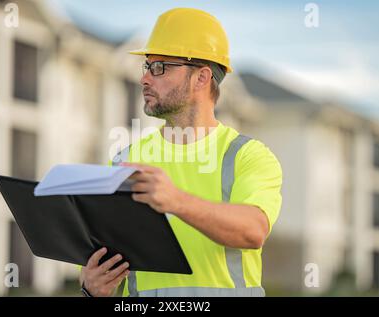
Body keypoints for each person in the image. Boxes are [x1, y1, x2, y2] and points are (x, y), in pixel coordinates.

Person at [80, 7, 282, 297]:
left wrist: (176, 201)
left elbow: (252, 231)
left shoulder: (247, 156)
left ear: (201, 78)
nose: (145, 79)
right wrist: (91, 289)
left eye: (159, 67)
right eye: (146, 67)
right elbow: (104, 262)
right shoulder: (125, 160)